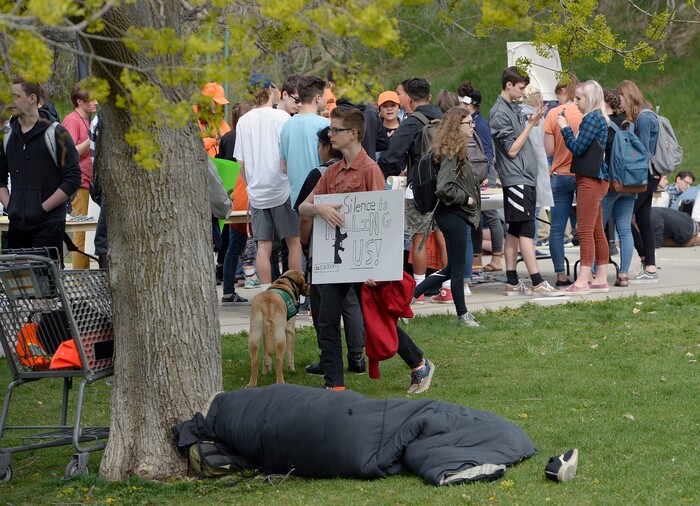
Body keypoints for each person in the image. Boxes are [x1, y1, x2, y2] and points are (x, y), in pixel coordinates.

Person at [299, 106, 434, 393]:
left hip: (362, 261)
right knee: (326, 320)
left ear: (353, 133)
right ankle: (334, 386)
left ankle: (419, 363)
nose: (330, 134)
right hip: (334, 260)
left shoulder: (370, 169)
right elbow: (302, 206)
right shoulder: (332, 170)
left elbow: (384, 220)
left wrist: (378, 268)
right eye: (331, 130)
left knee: (376, 319)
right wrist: (319, 208)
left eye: (336, 130)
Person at [296, 126, 366, 375]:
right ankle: (357, 356)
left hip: (325, 249)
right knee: (351, 302)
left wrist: (304, 244)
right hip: (354, 247)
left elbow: (304, 217)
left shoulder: (318, 174)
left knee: (323, 306)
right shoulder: (363, 170)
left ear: (327, 146)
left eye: (319, 146)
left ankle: (329, 359)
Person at [489, 67, 563, 296]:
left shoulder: (512, 108)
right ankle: (537, 281)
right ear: (508, 85)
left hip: (524, 177)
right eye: (520, 88)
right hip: (516, 177)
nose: (523, 93)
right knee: (527, 230)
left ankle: (511, 281)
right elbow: (511, 149)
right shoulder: (499, 113)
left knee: (515, 229)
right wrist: (530, 124)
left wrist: (530, 120)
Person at [379, 78, 446, 303]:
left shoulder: (411, 122)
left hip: (419, 188)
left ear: (408, 96)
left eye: (399, 94)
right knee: (443, 235)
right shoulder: (445, 117)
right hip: (446, 185)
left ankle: (418, 289)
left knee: (419, 237)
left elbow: (391, 156)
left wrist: (383, 175)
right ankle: (447, 286)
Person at [233, 73, 302, 294]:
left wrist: (250, 184)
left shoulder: (243, 121)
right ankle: (296, 292)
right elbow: (291, 156)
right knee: (294, 242)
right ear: (271, 90)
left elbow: (240, 162)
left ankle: (265, 293)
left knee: (263, 245)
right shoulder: (282, 118)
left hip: (257, 191)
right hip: (282, 188)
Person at [412, 108, 481, 327]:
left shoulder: (454, 150)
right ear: (456, 127)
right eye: (468, 123)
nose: (473, 126)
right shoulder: (452, 152)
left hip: (452, 214)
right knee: (458, 268)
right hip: (453, 214)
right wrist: (467, 200)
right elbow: (443, 188)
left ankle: (409, 296)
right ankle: (463, 315)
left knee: (453, 268)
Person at [0, 78, 81, 260]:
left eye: (15, 96)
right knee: (19, 284)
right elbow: (0, 177)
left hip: (49, 224)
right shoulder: (7, 135)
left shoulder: (56, 133)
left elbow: (73, 179)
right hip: (17, 225)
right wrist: (10, 205)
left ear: (32, 98)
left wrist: (42, 208)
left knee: (46, 283)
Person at [557, 80, 610, 293]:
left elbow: (577, 148)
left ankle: (583, 280)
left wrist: (564, 128)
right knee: (597, 231)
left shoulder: (591, 118)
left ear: (590, 99)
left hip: (590, 179)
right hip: (599, 179)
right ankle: (601, 278)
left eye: (579, 98)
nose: (575, 102)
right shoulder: (600, 118)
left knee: (585, 231)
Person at [457, 81, 503, 273]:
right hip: (473, 174)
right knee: (475, 215)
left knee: (491, 215)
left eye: (460, 103)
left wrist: (485, 177)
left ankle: (497, 257)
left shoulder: (481, 124)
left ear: (469, 105)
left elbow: (488, 152)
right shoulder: (468, 122)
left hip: (484, 174)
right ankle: (476, 256)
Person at [616, 80, 660, 283]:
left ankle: (646, 260)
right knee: (642, 220)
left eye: (621, 99)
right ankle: (649, 266)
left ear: (629, 96)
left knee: (622, 218)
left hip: (645, 175)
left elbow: (643, 151)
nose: (620, 104)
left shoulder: (643, 118)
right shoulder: (646, 115)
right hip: (649, 174)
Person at [543, 73, 581, 287]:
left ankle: (560, 275)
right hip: (582, 175)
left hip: (559, 174)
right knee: (585, 226)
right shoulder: (586, 113)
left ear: (563, 91)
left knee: (557, 228)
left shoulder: (554, 114)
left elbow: (548, 149)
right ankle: (588, 270)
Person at [600, 89, 636, 287]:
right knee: (625, 229)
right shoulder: (629, 123)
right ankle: (623, 275)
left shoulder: (605, 124)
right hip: (630, 183)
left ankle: (596, 271)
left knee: (599, 229)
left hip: (611, 183)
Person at [62, 84, 98, 269]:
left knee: (84, 233)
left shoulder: (85, 121)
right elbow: (68, 153)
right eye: (91, 99)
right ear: (79, 101)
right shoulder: (72, 121)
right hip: (78, 182)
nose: (96, 103)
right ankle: (78, 280)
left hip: (88, 182)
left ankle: (82, 276)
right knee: (79, 233)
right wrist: (90, 138)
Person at [280, 75, 330, 207]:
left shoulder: (286, 126)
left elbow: (284, 167)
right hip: (320, 197)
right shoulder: (324, 124)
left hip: (296, 197)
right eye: (324, 95)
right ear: (318, 98)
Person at [520, 85, 554, 254]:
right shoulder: (538, 119)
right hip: (537, 167)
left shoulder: (519, 115)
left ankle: (529, 243)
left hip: (522, 167)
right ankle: (531, 244)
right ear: (539, 102)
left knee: (529, 209)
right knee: (534, 209)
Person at [196, 82, 231, 157]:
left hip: (218, 165)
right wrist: (213, 141)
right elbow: (193, 144)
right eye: (216, 102)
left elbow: (229, 137)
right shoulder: (192, 117)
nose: (219, 106)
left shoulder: (219, 120)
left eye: (221, 104)